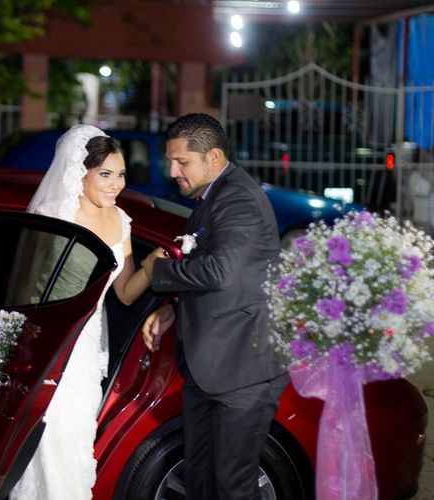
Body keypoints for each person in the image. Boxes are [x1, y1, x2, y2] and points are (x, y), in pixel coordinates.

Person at [141, 113, 289, 500]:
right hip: (212, 369)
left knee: (232, 486)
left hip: (242, 370)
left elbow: (220, 271)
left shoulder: (238, 199)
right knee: (200, 481)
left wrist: (158, 272)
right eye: (170, 161)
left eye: (181, 161)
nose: (173, 171)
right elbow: (232, 278)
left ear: (214, 157)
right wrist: (173, 307)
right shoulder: (213, 197)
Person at [10, 124, 163, 499]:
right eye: (106, 174)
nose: (116, 185)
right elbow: (27, 287)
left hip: (89, 349)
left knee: (75, 439)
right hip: (51, 341)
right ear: (82, 172)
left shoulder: (120, 220)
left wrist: (152, 266)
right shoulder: (53, 214)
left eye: (121, 175)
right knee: (49, 439)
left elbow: (125, 293)